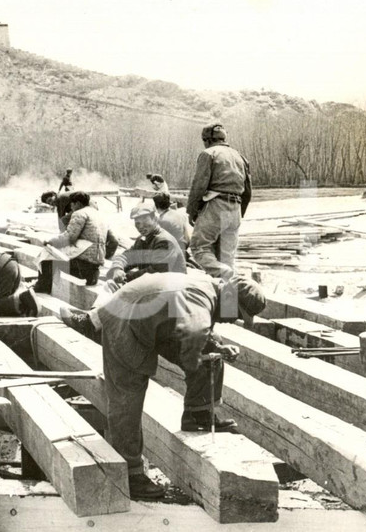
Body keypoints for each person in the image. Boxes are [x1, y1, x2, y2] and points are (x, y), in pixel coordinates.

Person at [64, 272, 266, 500]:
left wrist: (215, 348)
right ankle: (130, 474)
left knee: (211, 354)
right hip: (126, 323)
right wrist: (216, 347)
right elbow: (195, 334)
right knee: (127, 397)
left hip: (149, 319)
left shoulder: (209, 291)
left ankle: (198, 414)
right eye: (238, 314)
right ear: (230, 300)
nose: (234, 320)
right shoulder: (201, 300)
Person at [186, 123, 252, 279]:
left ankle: (224, 274)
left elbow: (199, 186)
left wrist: (192, 211)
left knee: (199, 248)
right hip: (235, 208)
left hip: (216, 206)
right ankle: (227, 287)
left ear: (207, 140)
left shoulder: (209, 154)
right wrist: (238, 214)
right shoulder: (240, 157)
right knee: (226, 257)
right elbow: (248, 192)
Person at [34, 191, 118, 293]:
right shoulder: (99, 215)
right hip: (94, 270)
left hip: (83, 268)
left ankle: (41, 289)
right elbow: (114, 241)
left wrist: (50, 242)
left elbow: (69, 238)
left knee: (46, 259)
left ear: (77, 203)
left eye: (72, 205)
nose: (71, 208)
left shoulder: (79, 213)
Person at [105, 202, 185, 286]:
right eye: (137, 223)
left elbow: (156, 272)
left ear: (155, 219)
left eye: (145, 222)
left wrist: (126, 277)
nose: (141, 227)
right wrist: (117, 268)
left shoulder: (164, 241)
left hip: (173, 288)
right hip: (154, 287)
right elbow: (127, 256)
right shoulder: (142, 239)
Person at [153, 192, 193, 258]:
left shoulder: (162, 220)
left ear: (156, 205)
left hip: (174, 251)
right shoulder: (178, 214)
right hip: (185, 246)